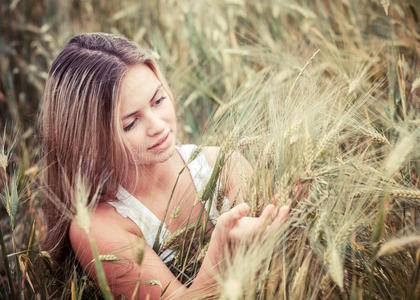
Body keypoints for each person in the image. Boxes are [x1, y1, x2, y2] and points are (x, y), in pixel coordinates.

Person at [40, 32, 289, 299]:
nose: (158, 126)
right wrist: (221, 248)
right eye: (130, 123)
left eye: (158, 101)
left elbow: (278, 264)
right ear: (91, 138)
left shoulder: (224, 165)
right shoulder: (98, 226)